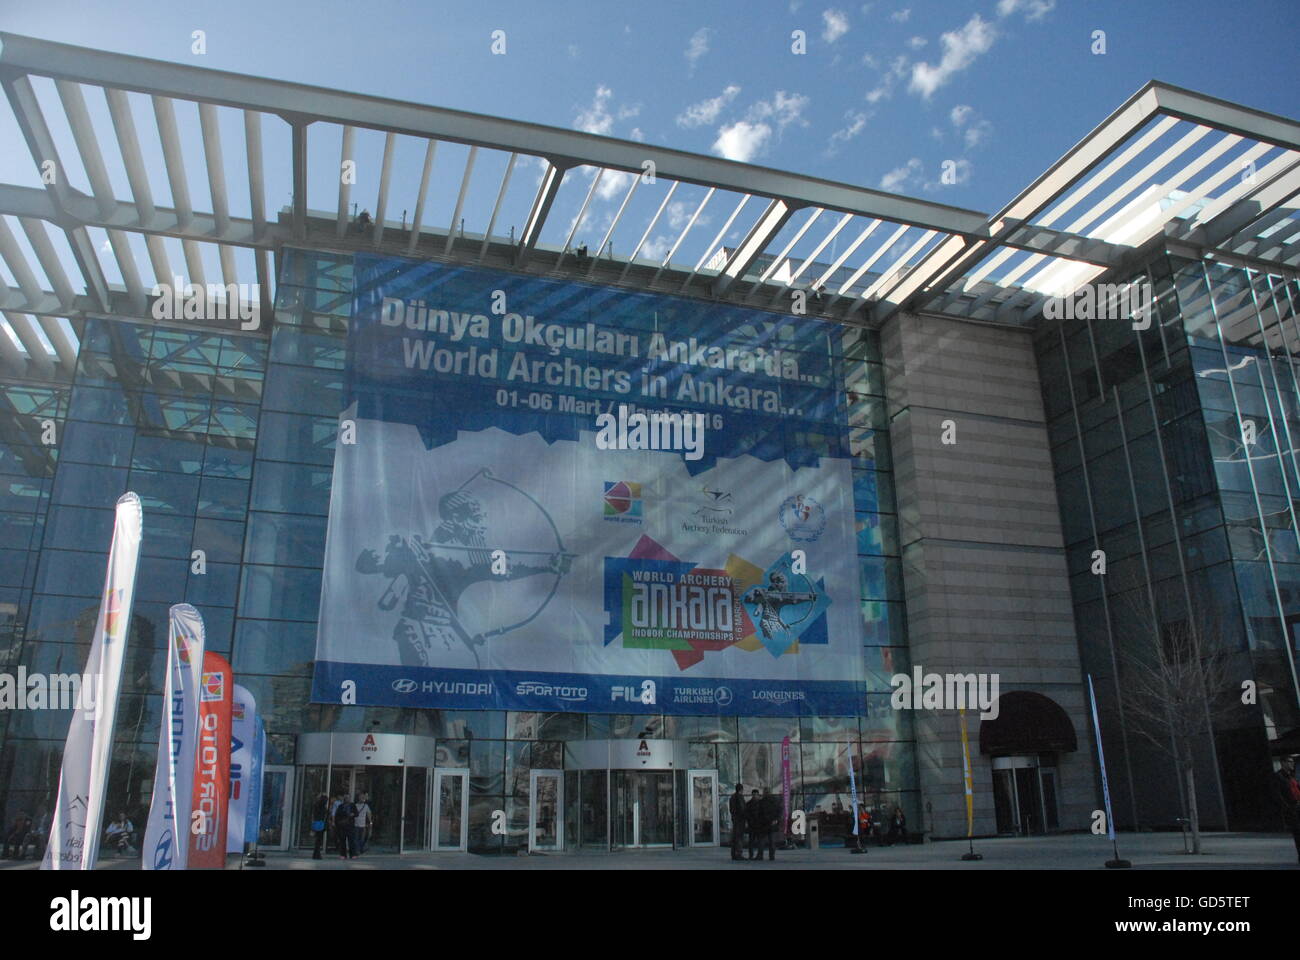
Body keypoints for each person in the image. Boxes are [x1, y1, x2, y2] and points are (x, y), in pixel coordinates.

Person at [1276, 756, 1300, 864]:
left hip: (1298, 805)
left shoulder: (1292, 776)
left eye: (1292, 762)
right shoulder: (1278, 777)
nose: (1292, 764)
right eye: (1289, 762)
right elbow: (1278, 795)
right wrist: (1287, 807)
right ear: (1283, 763)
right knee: (1298, 832)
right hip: (1292, 808)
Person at [759, 788, 781, 861]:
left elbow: (760, 813)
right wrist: (776, 819)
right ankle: (771, 856)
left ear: (764, 793)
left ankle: (760, 855)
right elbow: (779, 811)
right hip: (772, 823)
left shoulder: (762, 801)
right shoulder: (775, 801)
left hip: (764, 823)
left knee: (762, 840)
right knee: (771, 840)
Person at [334, 795, 357, 859]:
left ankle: (352, 854)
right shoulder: (341, 806)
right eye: (346, 798)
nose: (347, 799)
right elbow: (337, 815)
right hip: (343, 826)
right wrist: (338, 824)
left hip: (350, 826)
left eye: (348, 798)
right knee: (342, 841)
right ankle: (343, 854)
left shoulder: (352, 805)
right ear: (344, 799)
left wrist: (353, 814)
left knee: (351, 840)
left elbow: (357, 813)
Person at [728, 784, 746, 861]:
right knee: (739, 837)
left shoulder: (732, 797)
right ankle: (739, 853)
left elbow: (731, 809)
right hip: (740, 820)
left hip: (735, 819)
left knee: (735, 837)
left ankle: (733, 854)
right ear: (741, 789)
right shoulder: (740, 797)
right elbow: (742, 809)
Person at [744, 789, 763, 861]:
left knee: (759, 841)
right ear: (752, 795)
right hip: (752, 825)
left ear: (758, 795)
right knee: (751, 841)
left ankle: (759, 855)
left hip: (758, 825)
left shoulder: (761, 803)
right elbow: (746, 814)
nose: (755, 796)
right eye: (754, 795)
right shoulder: (749, 804)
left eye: (756, 795)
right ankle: (751, 855)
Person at [311, 793, 329, 860]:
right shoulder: (323, 807)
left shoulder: (316, 805)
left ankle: (316, 854)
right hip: (321, 824)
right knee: (319, 840)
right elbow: (324, 816)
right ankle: (317, 854)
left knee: (317, 840)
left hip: (317, 823)